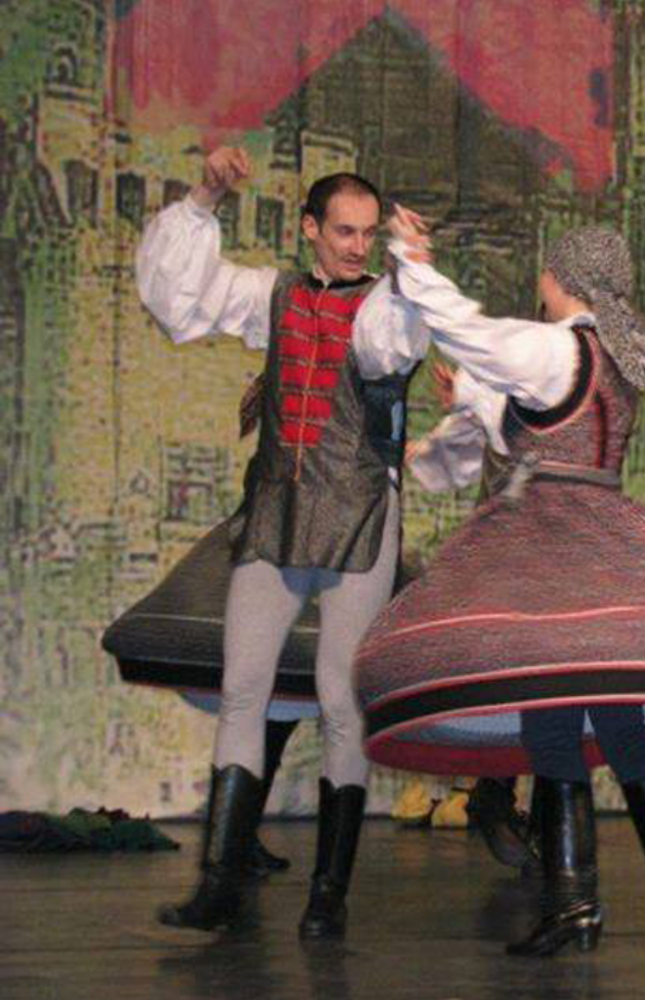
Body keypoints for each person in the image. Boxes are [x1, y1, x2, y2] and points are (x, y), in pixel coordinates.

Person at [354, 214, 645, 957]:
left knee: (552, 720)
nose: (540, 282)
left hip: (553, 547)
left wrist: (413, 265)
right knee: (618, 726)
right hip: (605, 541)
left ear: (563, 279)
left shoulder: (556, 347)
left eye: (547, 272)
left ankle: (576, 905)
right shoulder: (612, 356)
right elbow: (533, 424)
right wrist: (470, 405)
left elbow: (470, 332)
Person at [132, 146, 429, 938]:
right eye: (344, 231)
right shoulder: (271, 293)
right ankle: (219, 884)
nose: (356, 246)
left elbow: (390, 350)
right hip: (276, 510)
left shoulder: (385, 304)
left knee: (339, 700)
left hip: (358, 510)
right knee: (243, 688)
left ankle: (328, 894)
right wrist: (205, 197)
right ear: (309, 229)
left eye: (367, 233)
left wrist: (411, 267)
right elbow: (178, 297)